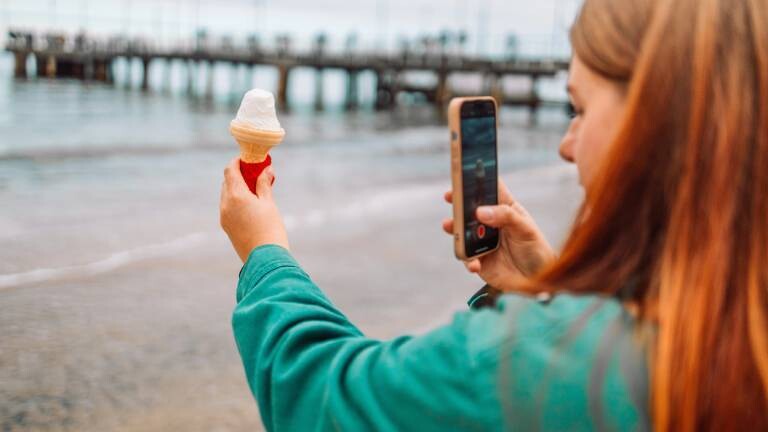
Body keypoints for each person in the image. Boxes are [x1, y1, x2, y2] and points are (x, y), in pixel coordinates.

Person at [219, 0, 768, 429]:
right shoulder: (735, 320)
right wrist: (546, 288)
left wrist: (265, 253)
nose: (567, 145)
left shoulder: (548, 366)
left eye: (580, 108)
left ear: (654, 115)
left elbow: (329, 402)